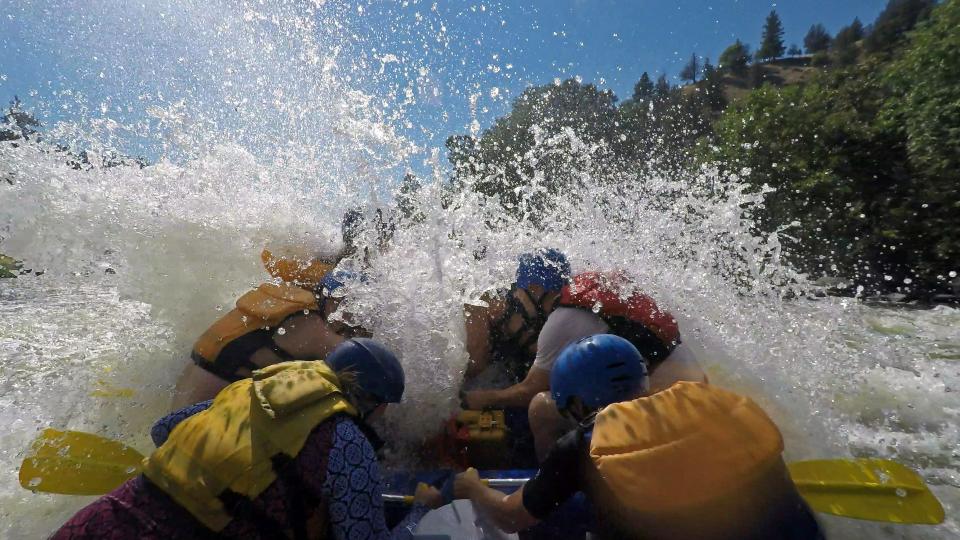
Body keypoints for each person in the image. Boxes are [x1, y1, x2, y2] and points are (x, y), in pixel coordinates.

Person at [53, 338, 443, 539]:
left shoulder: (246, 390)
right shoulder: (349, 444)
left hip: (109, 516)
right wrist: (419, 511)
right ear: (372, 402)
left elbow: (163, 430)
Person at [454, 334, 823, 540]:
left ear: (580, 404)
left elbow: (509, 517)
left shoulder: (583, 444)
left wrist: (471, 485)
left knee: (549, 518)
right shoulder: (713, 402)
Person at [462, 271, 707, 457]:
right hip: (694, 400)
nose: (513, 298)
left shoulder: (562, 320)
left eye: (518, 292)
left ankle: (551, 490)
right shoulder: (593, 295)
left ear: (535, 290)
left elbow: (529, 390)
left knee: (540, 407)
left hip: (665, 418)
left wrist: (479, 399)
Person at [172, 269, 368, 408]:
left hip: (184, 397)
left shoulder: (289, 302)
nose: (353, 321)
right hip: (203, 407)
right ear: (332, 299)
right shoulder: (313, 328)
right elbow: (361, 364)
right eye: (351, 309)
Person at [461, 248, 571, 386]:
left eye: (559, 294)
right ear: (531, 289)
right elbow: (475, 365)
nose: (557, 301)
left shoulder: (566, 317)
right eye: (553, 295)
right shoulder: (484, 307)